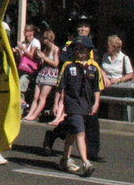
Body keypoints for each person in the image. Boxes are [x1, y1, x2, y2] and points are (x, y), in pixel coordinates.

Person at [54, 36, 103, 176]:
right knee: (80, 132)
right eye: (77, 49)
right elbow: (60, 87)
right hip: (72, 104)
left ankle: (65, 159)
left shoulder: (93, 68)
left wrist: (96, 103)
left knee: (72, 133)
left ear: (88, 51)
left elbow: (97, 88)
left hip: (85, 105)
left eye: (82, 49)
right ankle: (86, 162)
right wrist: (57, 104)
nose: (79, 52)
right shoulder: (68, 66)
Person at [24, 28, 61, 121]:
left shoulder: (55, 49)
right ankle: (30, 114)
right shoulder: (45, 49)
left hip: (51, 74)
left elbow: (56, 63)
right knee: (35, 96)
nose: (43, 40)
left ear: (50, 39)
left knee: (42, 96)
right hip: (43, 72)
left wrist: (44, 58)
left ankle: (34, 115)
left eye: (45, 38)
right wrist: (40, 57)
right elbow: (42, 61)